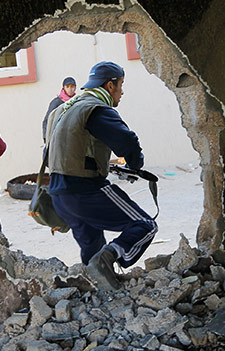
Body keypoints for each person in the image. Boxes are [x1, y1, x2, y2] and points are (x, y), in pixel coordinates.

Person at [45, 61, 157, 290]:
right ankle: (108, 258)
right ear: (110, 85)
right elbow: (128, 142)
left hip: (59, 195)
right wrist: (136, 163)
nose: (122, 92)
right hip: (85, 189)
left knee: (92, 246)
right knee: (145, 224)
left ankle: (98, 286)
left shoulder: (62, 109)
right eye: (121, 85)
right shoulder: (96, 108)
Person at [42, 76, 77, 142]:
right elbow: (47, 120)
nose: (70, 89)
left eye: (72, 87)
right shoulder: (57, 102)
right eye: (67, 87)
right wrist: (46, 139)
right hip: (58, 137)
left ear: (75, 88)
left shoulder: (77, 101)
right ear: (63, 88)